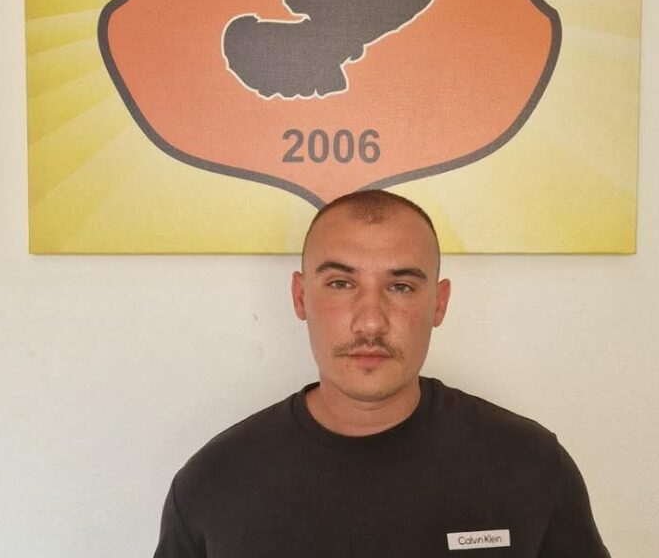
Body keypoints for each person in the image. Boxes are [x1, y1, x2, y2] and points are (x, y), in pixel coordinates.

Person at [153, 190, 610, 557]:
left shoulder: (530, 465)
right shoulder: (214, 482)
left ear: (439, 304)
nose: (370, 323)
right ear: (300, 296)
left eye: (401, 286)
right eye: (341, 284)